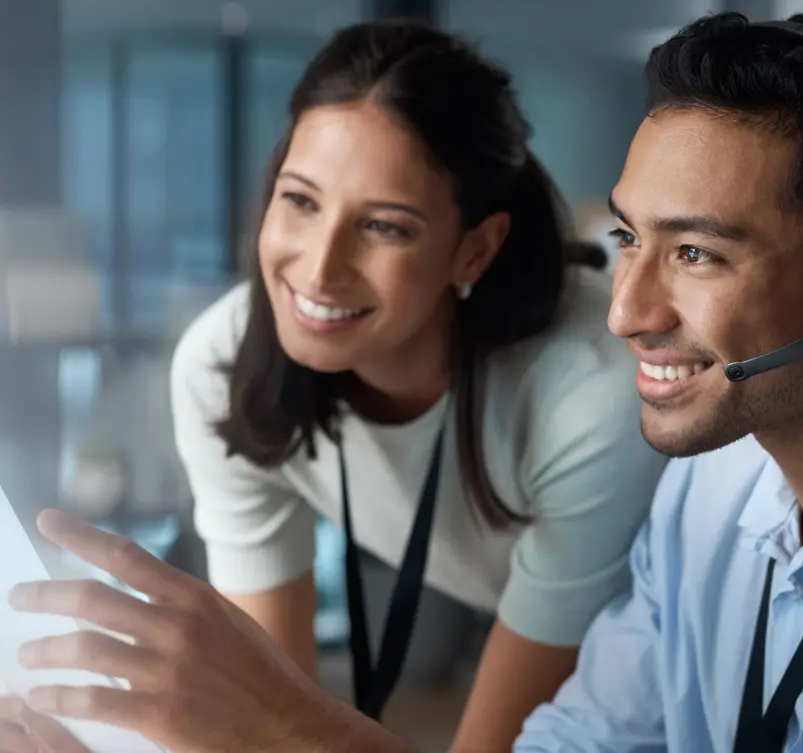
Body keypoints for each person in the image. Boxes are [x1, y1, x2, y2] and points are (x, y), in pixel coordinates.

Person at [6, 10, 803, 753]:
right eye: (626, 240)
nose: (626, 310)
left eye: (696, 256)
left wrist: (276, 725)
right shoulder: (715, 485)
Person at [0, 18, 666, 753]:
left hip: (682, 691)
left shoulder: (588, 395)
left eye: (384, 227)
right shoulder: (225, 365)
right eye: (301, 201)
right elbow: (258, 718)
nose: (318, 270)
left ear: (474, 249)